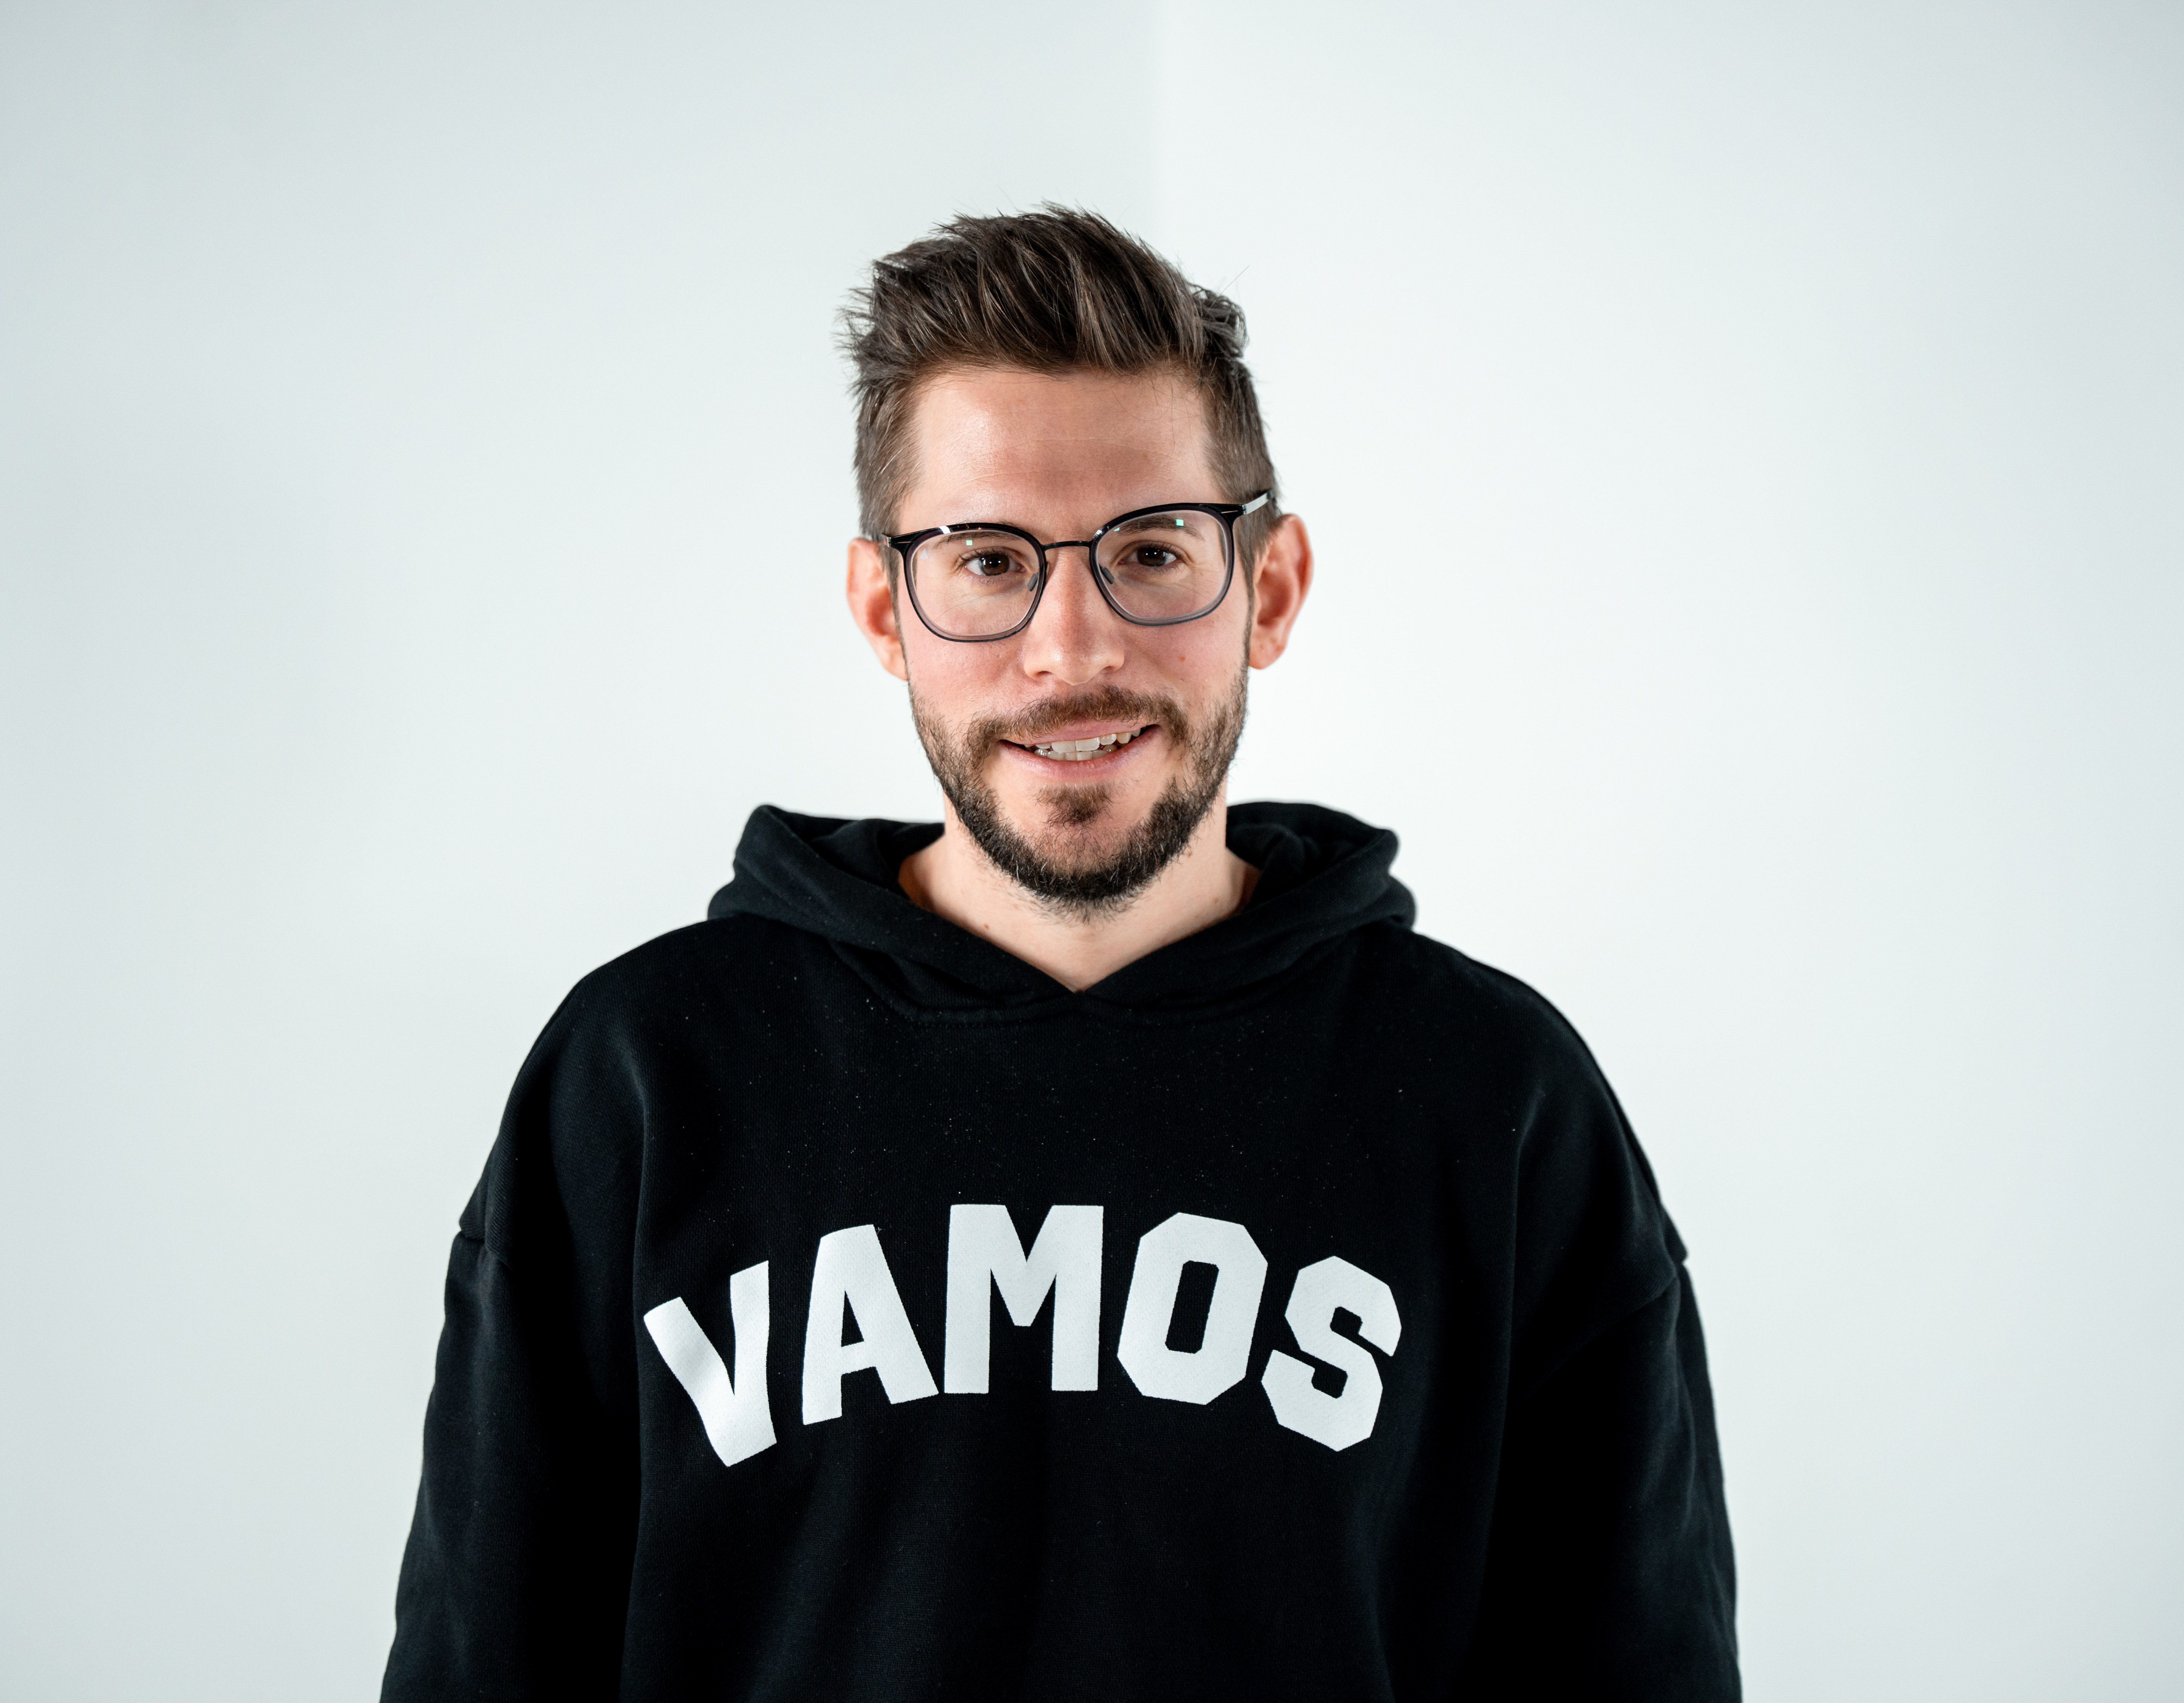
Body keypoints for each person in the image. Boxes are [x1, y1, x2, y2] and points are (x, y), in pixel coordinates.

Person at [381, 207, 1739, 1701]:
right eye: (985, 562)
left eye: (1150, 552)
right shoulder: (640, 1081)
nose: (1070, 647)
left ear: (1267, 589)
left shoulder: (1497, 1104)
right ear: (883, 607)